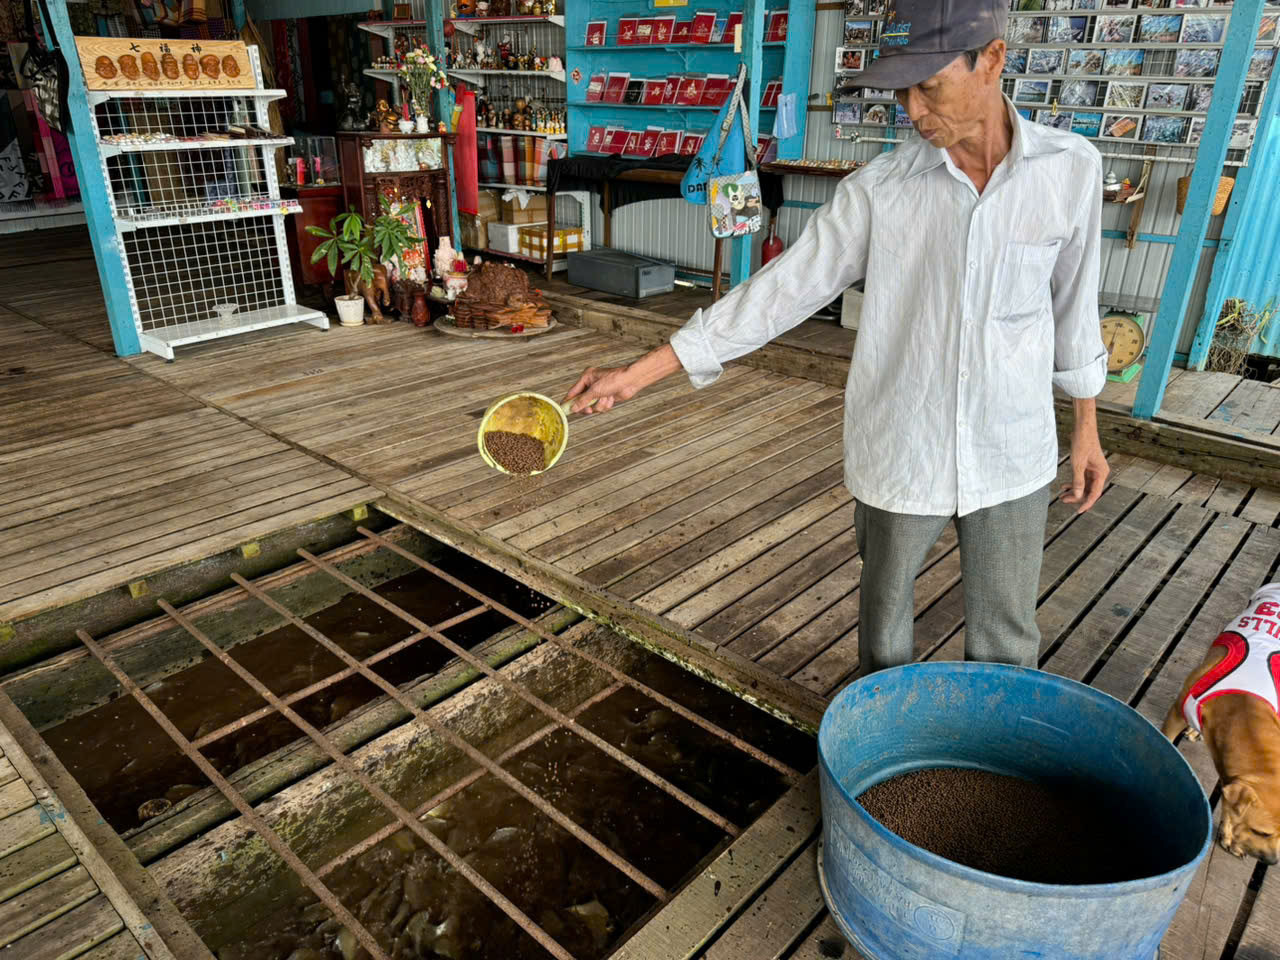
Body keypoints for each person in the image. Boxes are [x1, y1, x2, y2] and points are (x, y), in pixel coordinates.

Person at [563, 0, 1109, 675]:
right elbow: (780, 291)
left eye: (928, 85)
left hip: (1013, 446)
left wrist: (1085, 427)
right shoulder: (880, 190)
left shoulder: (1070, 170)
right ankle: (878, 766)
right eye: (901, 90)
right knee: (884, 641)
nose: (912, 109)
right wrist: (639, 374)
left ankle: (990, 763)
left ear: (991, 60)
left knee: (1006, 641)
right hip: (901, 445)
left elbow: (1073, 308)